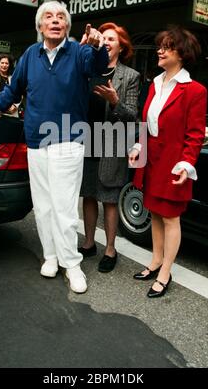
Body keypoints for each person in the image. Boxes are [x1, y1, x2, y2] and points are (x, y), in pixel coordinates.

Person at [0, 0, 109, 294]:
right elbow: (13, 91)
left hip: (68, 140)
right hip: (37, 141)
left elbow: (99, 67)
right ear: (40, 26)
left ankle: (71, 264)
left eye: (61, 17)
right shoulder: (29, 54)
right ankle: (51, 256)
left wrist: (99, 45)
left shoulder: (79, 51)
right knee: (43, 205)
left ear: (66, 26)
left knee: (64, 208)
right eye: (48, 16)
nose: (55, 20)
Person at [129, 26, 207, 298]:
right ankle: (155, 260)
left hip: (174, 164)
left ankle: (165, 272)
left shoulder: (195, 91)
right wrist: (139, 146)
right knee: (155, 212)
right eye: (160, 45)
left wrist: (187, 164)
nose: (160, 51)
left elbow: (195, 134)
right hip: (152, 160)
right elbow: (146, 121)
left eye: (167, 46)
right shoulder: (155, 83)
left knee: (171, 217)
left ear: (182, 54)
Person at [79, 22, 140, 273]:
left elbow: (132, 116)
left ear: (121, 46)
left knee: (110, 199)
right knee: (89, 194)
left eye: (111, 39)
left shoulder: (130, 76)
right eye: (103, 38)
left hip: (112, 143)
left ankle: (110, 249)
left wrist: (115, 101)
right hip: (87, 140)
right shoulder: (89, 69)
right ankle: (90, 242)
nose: (105, 41)